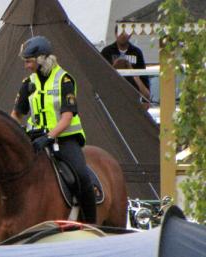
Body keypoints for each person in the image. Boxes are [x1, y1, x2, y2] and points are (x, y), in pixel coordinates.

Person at [10, 36, 96, 224]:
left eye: (29, 61)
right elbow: (17, 114)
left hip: (64, 138)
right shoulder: (28, 83)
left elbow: (67, 117)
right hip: (34, 138)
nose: (26, 66)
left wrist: (49, 137)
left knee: (82, 175)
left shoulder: (64, 80)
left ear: (42, 60)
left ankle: (91, 223)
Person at [100, 26, 150, 106]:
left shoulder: (136, 53)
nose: (123, 35)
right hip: (112, 100)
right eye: (120, 32)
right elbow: (100, 79)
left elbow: (145, 88)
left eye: (126, 32)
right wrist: (114, 67)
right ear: (115, 34)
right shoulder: (107, 52)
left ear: (130, 34)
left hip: (132, 101)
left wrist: (131, 70)